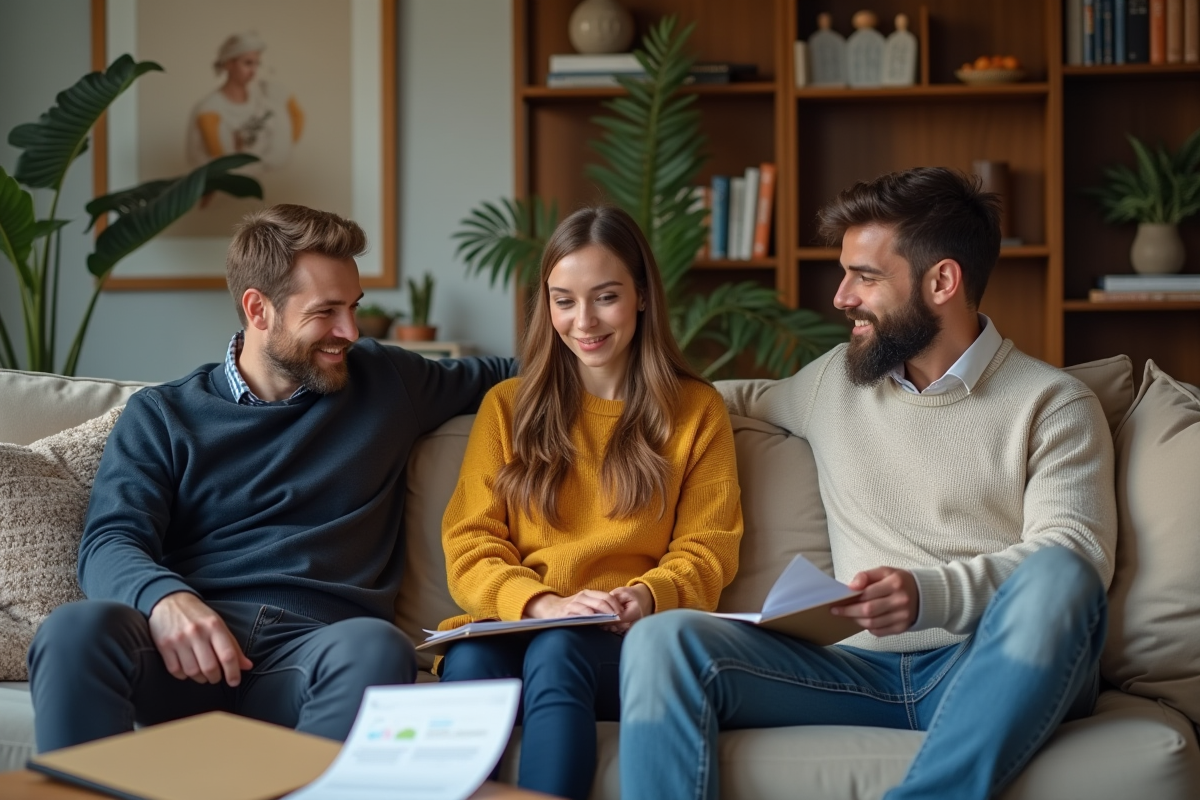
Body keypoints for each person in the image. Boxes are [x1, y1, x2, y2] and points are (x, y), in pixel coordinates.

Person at [618, 167, 1117, 800]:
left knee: (1060, 577)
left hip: (988, 669)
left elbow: (1076, 558)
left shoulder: (1053, 404)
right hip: (853, 670)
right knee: (667, 640)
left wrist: (924, 595)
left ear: (942, 281)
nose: (841, 297)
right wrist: (539, 390)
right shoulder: (837, 380)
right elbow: (718, 403)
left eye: (866, 276)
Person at [27, 204, 517, 752]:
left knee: (378, 647)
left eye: (354, 307)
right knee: (73, 633)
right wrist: (165, 600)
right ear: (258, 310)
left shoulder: (388, 379)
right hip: (189, 654)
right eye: (326, 312)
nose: (350, 332)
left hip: (319, 652)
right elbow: (110, 539)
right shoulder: (163, 415)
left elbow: (521, 374)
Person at [436, 206, 744, 800]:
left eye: (605, 297)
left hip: (615, 641)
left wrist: (648, 595)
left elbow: (710, 549)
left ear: (643, 296)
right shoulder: (507, 407)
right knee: (471, 664)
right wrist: (541, 603)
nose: (584, 321)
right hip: (518, 621)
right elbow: (469, 542)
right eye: (563, 300)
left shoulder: (696, 411)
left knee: (558, 649)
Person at [186, 33, 303, 170]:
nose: (253, 70)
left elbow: (295, 118)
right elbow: (224, 164)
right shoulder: (209, 110)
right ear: (229, 64)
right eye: (247, 63)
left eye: (256, 63)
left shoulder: (265, 96)